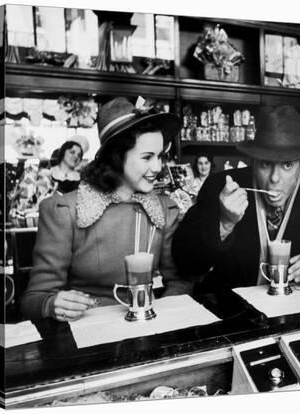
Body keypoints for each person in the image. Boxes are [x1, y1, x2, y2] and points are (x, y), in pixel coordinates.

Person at [21, 97, 191, 321]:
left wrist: (162, 314)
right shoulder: (64, 210)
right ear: (116, 157)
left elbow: (179, 281)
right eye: (147, 157)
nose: (158, 167)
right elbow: (32, 300)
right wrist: (51, 304)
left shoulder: (164, 209)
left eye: (160, 156)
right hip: (86, 335)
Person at [172, 105, 300, 293]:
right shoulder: (221, 187)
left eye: (287, 165)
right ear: (254, 162)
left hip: (292, 313)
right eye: (266, 163)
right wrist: (224, 224)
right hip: (233, 314)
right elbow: (186, 264)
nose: (274, 178)